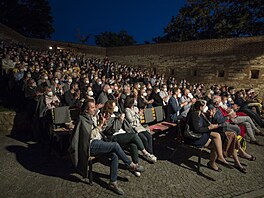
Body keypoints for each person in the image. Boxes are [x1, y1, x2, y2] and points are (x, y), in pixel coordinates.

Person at [69, 99, 144, 195]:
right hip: (90, 145)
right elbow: (89, 136)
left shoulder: (92, 117)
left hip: (98, 141)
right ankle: (130, 164)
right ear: (86, 110)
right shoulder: (83, 119)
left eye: (94, 106)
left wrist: (103, 123)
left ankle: (113, 182)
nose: (94, 108)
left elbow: (99, 131)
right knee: (115, 145)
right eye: (92, 107)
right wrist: (100, 125)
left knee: (114, 155)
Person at [101, 100, 157, 177]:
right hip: (114, 136)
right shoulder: (105, 116)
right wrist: (120, 120)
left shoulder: (115, 114)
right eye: (114, 107)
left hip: (122, 133)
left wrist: (121, 119)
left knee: (133, 144)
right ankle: (145, 153)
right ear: (109, 107)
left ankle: (135, 166)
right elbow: (111, 130)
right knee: (134, 136)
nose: (115, 108)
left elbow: (125, 126)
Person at [185, 100, 231, 172]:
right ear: (200, 107)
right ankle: (216, 160)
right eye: (205, 106)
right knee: (215, 143)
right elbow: (197, 129)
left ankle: (218, 158)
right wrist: (209, 128)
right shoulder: (194, 114)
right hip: (194, 137)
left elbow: (206, 125)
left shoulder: (201, 114)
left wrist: (210, 118)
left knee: (217, 138)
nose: (206, 107)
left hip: (200, 134)